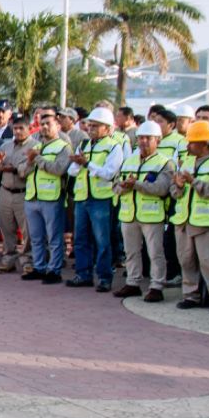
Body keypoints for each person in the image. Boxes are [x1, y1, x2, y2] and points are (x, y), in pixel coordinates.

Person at [170, 120, 209, 314]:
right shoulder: (186, 162)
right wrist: (178, 186)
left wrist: (193, 181)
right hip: (184, 220)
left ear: (205, 143)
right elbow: (175, 192)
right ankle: (191, 295)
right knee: (186, 260)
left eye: (192, 142)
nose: (188, 146)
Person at [111, 121, 174, 301]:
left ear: (158, 141)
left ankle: (157, 286)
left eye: (148, 138)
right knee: (131, 252)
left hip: (152, 215)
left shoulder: (165, 163)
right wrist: (123, 187)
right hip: (129, 214)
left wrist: (136, 185)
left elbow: (161, 188)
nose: (143, 142)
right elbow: (115, 185)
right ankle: (133, 282)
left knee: (155, 253)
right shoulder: (129, 161)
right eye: (140, 138)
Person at [66, 106, 127, 290]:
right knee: (81, 239)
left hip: (101, 199)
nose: (90, 129)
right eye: (90, 125)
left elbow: (109, 173)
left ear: (107, 128)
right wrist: (79, 164)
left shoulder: (113, 147)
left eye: (95, 126)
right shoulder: (84, 145)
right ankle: (83, 274)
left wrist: (87, 164)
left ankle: (104, 277)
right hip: (82, 197)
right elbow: (72, 171)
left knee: (102, 240)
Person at [21, 111, 71, 283]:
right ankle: (39, 267)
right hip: (32, 197)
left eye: (48, 124)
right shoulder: (36, 146)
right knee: (36, 237)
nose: (44, 127)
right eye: (42, 124)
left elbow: (59, 169)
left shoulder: (63, 147)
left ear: (58, 126)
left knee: (54, 238)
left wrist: (38, 159)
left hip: (52, 198)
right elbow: (22, 171)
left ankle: (54, 270)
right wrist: (30, 161)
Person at [0, 116, 35, 274]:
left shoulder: (34, 146)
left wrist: (15, 168)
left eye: (21, 128)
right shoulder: (6, 145)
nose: (17, 131)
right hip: (5, 190)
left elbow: (28, 169)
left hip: (23, 192)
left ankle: (28, 261)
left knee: (27, 230)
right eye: (15, 128)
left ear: (29, 128)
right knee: (6, 227)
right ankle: (8, 258)